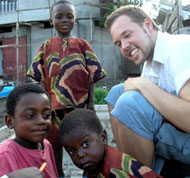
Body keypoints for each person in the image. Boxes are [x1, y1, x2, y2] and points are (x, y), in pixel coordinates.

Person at [104, 5, 190, 174]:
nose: (125, 46)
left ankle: (142, 173)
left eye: (127, 35)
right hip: (179, 134)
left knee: (129, 102)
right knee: (116, 94)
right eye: (119, 43)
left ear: (148, 25)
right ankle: (131, 169)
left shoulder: (179, 47)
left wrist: (143, 85)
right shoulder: (150, 64)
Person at [27, 1, 106, 176]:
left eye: (70, 17)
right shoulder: (45, 46)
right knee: (53, 144)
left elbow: (91, 76)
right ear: (51, 20)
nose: (65, 20)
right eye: (59, 16)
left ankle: (89, 174)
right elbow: (41, 79)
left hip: (80, 108)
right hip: (53, 110)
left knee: (83, 143)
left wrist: (91, 105)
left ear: (75, 21)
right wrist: (43, 107)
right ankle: (58, 174)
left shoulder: (82, 45)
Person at [59, 109, 163, 178]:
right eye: (72, 151)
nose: (80, 155)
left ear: (103, 138)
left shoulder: (115, 171)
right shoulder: (92, 163)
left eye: (85, 144)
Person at [0, 83, 58, 178]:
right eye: (30, 115)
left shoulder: (46, 145)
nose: (41, 121)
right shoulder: (6, 154)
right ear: (10, 121)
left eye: (46, 115)